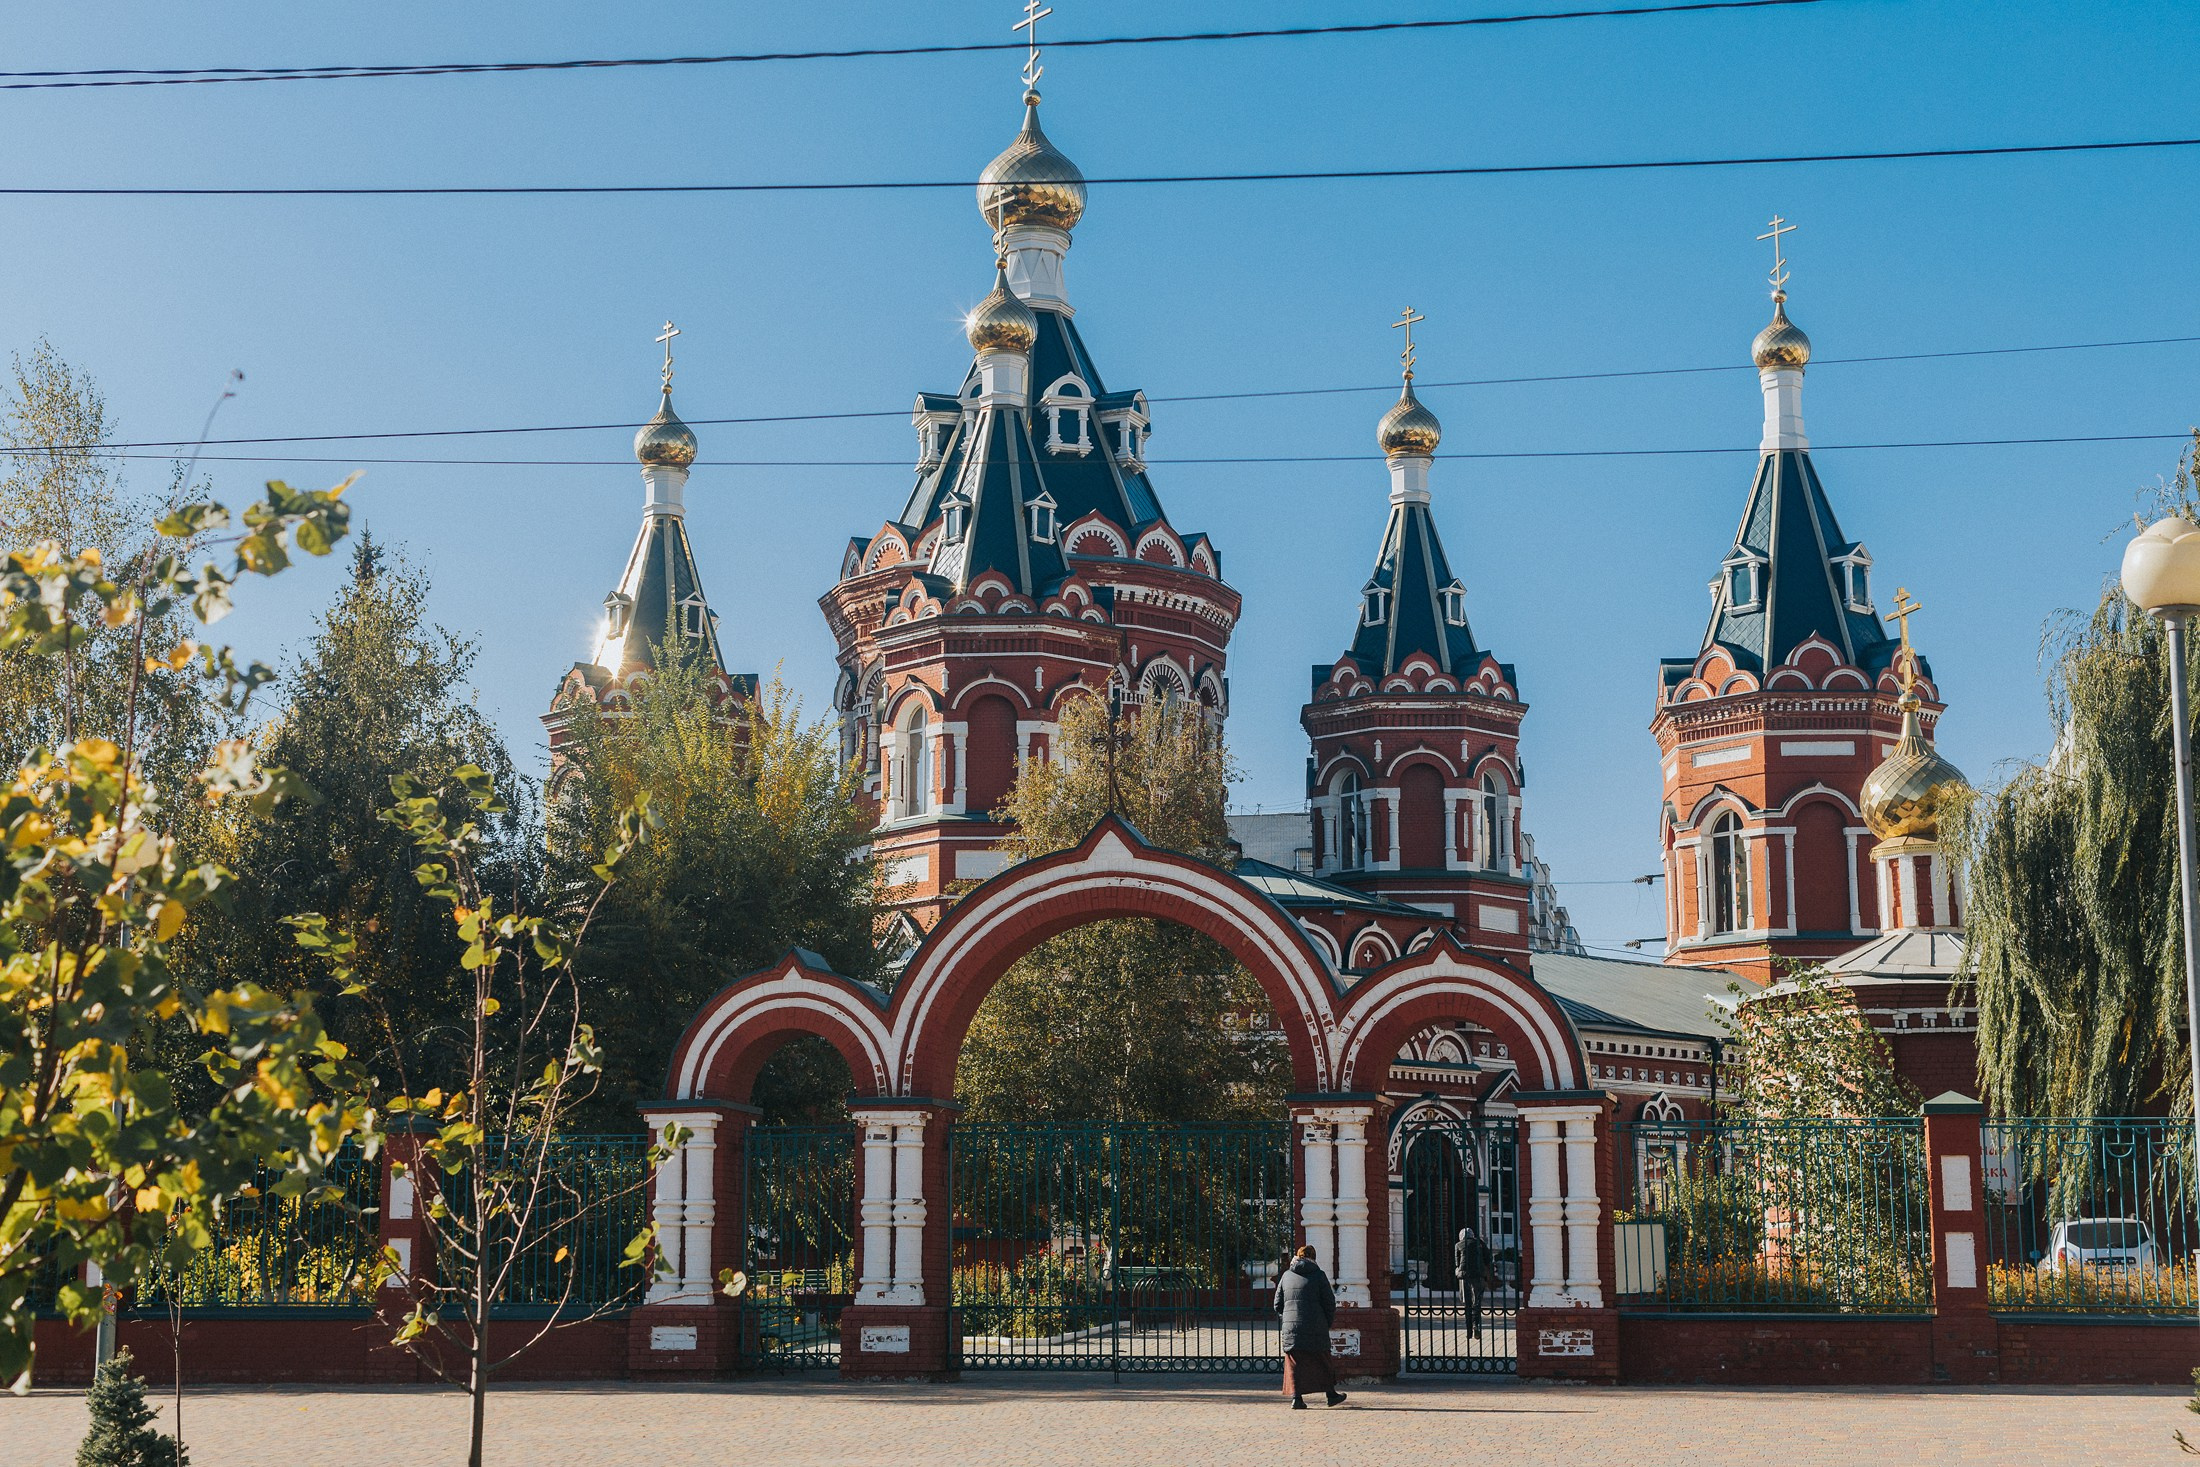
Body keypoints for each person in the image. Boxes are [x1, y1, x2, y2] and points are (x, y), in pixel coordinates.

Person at [1273, 1243, 1347, 1410]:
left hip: (1291, 1328)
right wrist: (1326, 1322)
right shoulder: (1318, 1275)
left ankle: (1296, 1399)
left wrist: (1288, 1320)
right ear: (1313, 1258)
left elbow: (1277, 1304)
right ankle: (1330, 1395)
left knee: (1294, 1363)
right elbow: (1329, 1302)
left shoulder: (1286, 1275)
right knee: (1322, 1360)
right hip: (1316, 1326)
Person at [1454, 1224, 1495, 1339]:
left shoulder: (1458, 1245)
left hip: (1464, 1276)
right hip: (1478, 1275)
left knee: (1467, 1304)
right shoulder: (1480, 1243)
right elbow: (1488, 1258)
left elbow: (1457, 1263)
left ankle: (1468, 1331)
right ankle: (1476, 1324)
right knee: (1476, 1302)